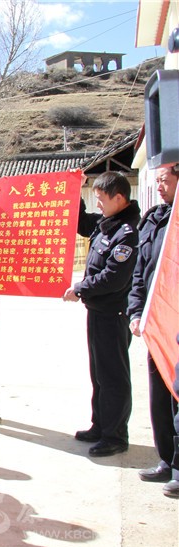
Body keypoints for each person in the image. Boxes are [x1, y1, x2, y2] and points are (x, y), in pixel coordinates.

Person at [64, 171, 141, 457]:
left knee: (113, 375)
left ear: (119, 198)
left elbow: (113, 278)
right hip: (97, 311)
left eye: (101, 199)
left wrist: (80, 288)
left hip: (113, 314)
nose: (97, 204)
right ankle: (101, 425)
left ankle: (115, 435)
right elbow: (81, 222)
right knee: (99, 373)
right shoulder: (106, 224)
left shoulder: (127, 233)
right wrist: (75, 189)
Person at [127, 164, 178, 495]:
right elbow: (140, 270)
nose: (159, 186)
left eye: (165, 180)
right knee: (159, 395)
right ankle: (166, 459)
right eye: (157, 180)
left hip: (175, 321)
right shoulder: (154, 218)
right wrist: (136, 311)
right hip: (155, 322)